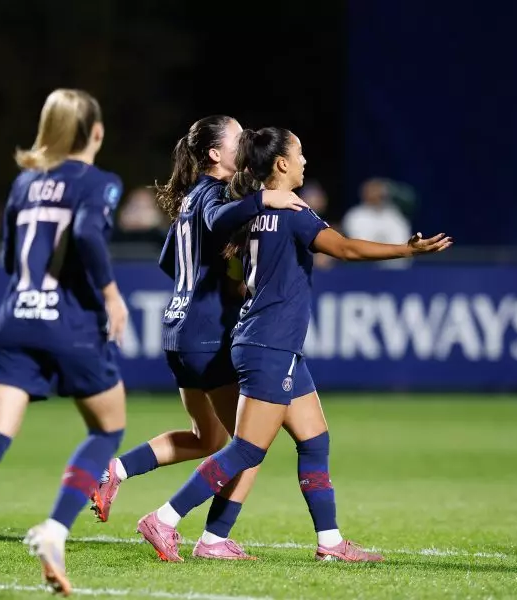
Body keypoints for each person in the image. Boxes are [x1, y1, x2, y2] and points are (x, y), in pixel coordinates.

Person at [136, 127, 451, 563]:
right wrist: (406, 250)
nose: (305, 161)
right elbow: (344, 249)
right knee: (246, 448)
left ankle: (329, 542)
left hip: (265, 340)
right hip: (272, 344)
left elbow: (222, 268)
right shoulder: (293, 211)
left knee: (314, 439)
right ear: (281, 163)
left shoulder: (249, 210)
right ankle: (165, 518)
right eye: (299, 153)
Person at [0, 89, 129, 599]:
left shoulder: (24, 183)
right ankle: (54, 531)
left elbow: (8, 260)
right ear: (96, 132)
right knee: (108, 428)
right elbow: (87, 234)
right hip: (71, 323)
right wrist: (110, 294)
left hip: (16, 317)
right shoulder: (101, 183)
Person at [90, 116, 307, 560]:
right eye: (237, 138)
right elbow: (218, 218)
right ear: (214, 154)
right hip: (208, 335)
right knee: (248, 447)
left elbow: (169, 261)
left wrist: (203, 280)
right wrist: (266, 197)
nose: (245, 143)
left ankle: (116, 470)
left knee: (207, 438)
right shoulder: (213, 194)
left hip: (179, 330)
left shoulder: (191, 196)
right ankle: (211, 538)